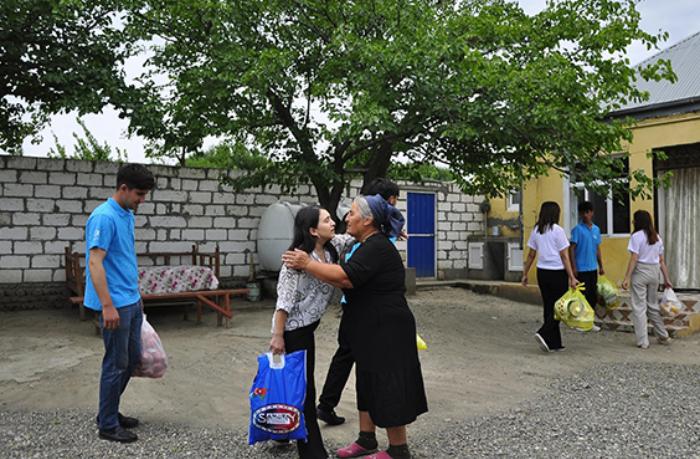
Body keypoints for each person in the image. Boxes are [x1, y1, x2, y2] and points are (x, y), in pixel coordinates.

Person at [283, 195, 426, 459]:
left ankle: (398, 449)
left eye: (351, 213)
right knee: (367, 381)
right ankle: (366, 439)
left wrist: (308, 264)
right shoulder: (360, 244)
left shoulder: (377, 246)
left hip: (387, 327)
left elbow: (347, 278)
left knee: (388, 383)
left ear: (368, 220)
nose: (346, 218)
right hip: (368, 327)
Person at [269, 206, 354, 459]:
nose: (333, 222)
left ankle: (281, 432)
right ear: (313, 230)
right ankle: (312, 451)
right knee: (305, 390)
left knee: (292, 385)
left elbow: (354, 234)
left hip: (308, 327)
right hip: (293, 331)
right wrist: (277, 336)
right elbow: (283, 303)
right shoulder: (295, 261)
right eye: (327, 220)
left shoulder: (331, 248)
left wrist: (393, 227)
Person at [317, 178, 402, 426]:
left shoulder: (377, 235)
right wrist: (310, 265)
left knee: (349, 356)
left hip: (362, 302)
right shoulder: (367, 239)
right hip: (360, 304)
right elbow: (348, 275)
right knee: (357, 359)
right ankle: (332, 407)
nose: (394, 204)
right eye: (392, 199)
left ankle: (332, 408)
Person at [84, 163, 155, 443]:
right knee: (115, 363)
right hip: (114, 304)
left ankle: (108, 412)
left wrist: (136, 299)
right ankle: (108, 425)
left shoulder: (126, 213)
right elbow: (94, 262)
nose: (142, 200)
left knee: (132, 360)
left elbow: (122, 258)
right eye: (139, 194)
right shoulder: (103, 217)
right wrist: (107, 305)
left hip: (131, 300)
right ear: (123, 188)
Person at [522, 202, 579, 353]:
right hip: (557, 272)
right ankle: (543, 332)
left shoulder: (536, 230)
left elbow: (531, 254)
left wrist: (525, 273)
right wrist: (572, 277)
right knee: (560, 308)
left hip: (542, 272)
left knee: (549, 306)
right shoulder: (558, 231)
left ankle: (554, 342)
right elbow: (564, 256)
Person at [621, 210, 672, 349]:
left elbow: (634, 258)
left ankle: (643, 341)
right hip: (654, 273)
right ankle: (663, 335)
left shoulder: (636, 237)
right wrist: (666, 279)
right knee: (653, 306)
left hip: (640, 272)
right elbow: (661, 261)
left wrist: (626, 277)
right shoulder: (657, 238)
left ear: (637, 221)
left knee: (639, 307)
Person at [569, 201, 604, 331]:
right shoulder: (577, 230)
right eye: (582, 213)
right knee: (581, 295)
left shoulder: (596, 229)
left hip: (592, 268)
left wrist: (601, 265)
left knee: (592, 296)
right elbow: (571, 249)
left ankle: (589, 321)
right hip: (581, 268)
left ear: (591, 213)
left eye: (587, 212)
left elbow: (597, 248)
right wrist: (573, 268)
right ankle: (579, 321)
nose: (585, 215)